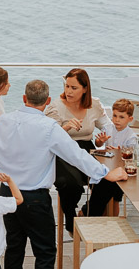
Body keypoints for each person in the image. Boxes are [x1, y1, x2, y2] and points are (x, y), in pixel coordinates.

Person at [0, 79, 128, 269]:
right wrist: (106, 173)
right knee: (45, 254)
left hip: (7, 194)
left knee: (14, 252)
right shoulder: (48, 127)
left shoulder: (3, 121)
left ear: (24, 99)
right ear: (47, 102)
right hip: (35, 199)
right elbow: (76, 155)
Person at [44, 68, 110, 234]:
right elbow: (47, 137)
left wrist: (102, 140)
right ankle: (70, 217)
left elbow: (108, 127)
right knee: (70, 184)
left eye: (74, 88)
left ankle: (88, 212)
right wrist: (65, 128)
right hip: (63, 152)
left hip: (88, 149)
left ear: (85, 89)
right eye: (67, 86)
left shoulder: (94, 105)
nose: (68, 91)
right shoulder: (55, 107)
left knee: (107, 180)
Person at [84, 99, 138, 216]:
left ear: (130, 119)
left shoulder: (131, 136)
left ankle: (92, 212)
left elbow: (131, 157)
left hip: (120, 170)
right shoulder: (108, 128)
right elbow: (98, 144)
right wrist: (100, 141)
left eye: (121, 117)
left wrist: (120, 151)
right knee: (101, 185)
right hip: (107, 166)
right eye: (114, 116)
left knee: (113, 195)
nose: (117, 120)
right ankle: (95, 214)